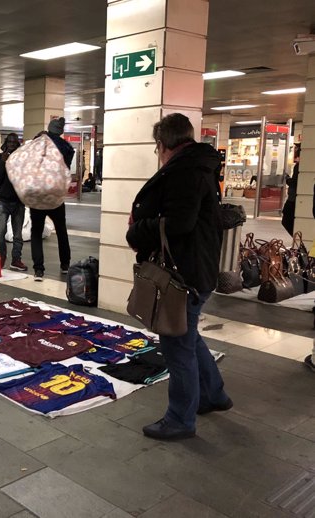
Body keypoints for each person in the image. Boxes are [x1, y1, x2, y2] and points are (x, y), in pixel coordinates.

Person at [126, 113, 232, 441]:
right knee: (188, 335)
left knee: (177, 345)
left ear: (163, 144)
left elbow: (177, 223)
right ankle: (213, 394)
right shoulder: (199, 167)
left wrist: (137, 229)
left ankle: (180, 419)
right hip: (197, 268)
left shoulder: (185, 171)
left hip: (183, 274)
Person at [30, 117, 74, 281]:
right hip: (56, 194)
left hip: (39, 194)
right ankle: (65, 264)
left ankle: (39, 269)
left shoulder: (40, 142)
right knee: (61, 230)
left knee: (36, 232)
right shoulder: (66, 147)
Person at [0, 133, 27, 271]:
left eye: (14, 142)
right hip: (3, 201)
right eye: (10, 142)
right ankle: (1, 257)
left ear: (17, 144)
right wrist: (3, 162)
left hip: (18, 201)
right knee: (0, 232)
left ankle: (16, 259)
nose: (12, 145)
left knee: (18, 235)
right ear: (6, 143)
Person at [281, 144, 300, 236]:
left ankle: (297, 241)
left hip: (293, 199)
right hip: (295, 199)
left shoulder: (299, 166)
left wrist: (287, 178)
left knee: (286, 220)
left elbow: (295, 182)